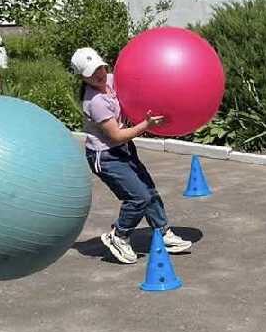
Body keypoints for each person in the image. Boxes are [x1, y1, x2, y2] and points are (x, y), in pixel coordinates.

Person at [70, 46, 194, 265]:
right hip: (105, 156)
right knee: (138, 197)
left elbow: (137, 84)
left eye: (100, 68)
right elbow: (116, 136)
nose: (98, 74)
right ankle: (119, 235)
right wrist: (146, 124)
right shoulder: (96, 102)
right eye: (91, 73)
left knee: (149, 190)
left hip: (123, 149)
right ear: (82, 77)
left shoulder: (112, 80)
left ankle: (162, 232)